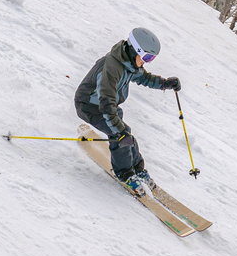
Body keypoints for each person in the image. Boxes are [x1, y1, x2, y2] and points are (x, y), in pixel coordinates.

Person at [75, 27, 181, 196]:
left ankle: (137, 169)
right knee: (121, 135)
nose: (147, 61)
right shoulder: (111, 67)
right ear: (135, 51)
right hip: (89, 105)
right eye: (147, 57)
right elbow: (106, 102)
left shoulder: (130, 63)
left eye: (151, 58)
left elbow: (144, 78)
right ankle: (125, 173)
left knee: (127, 134)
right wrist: (118, 131)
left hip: (108, 106)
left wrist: (165, 83)